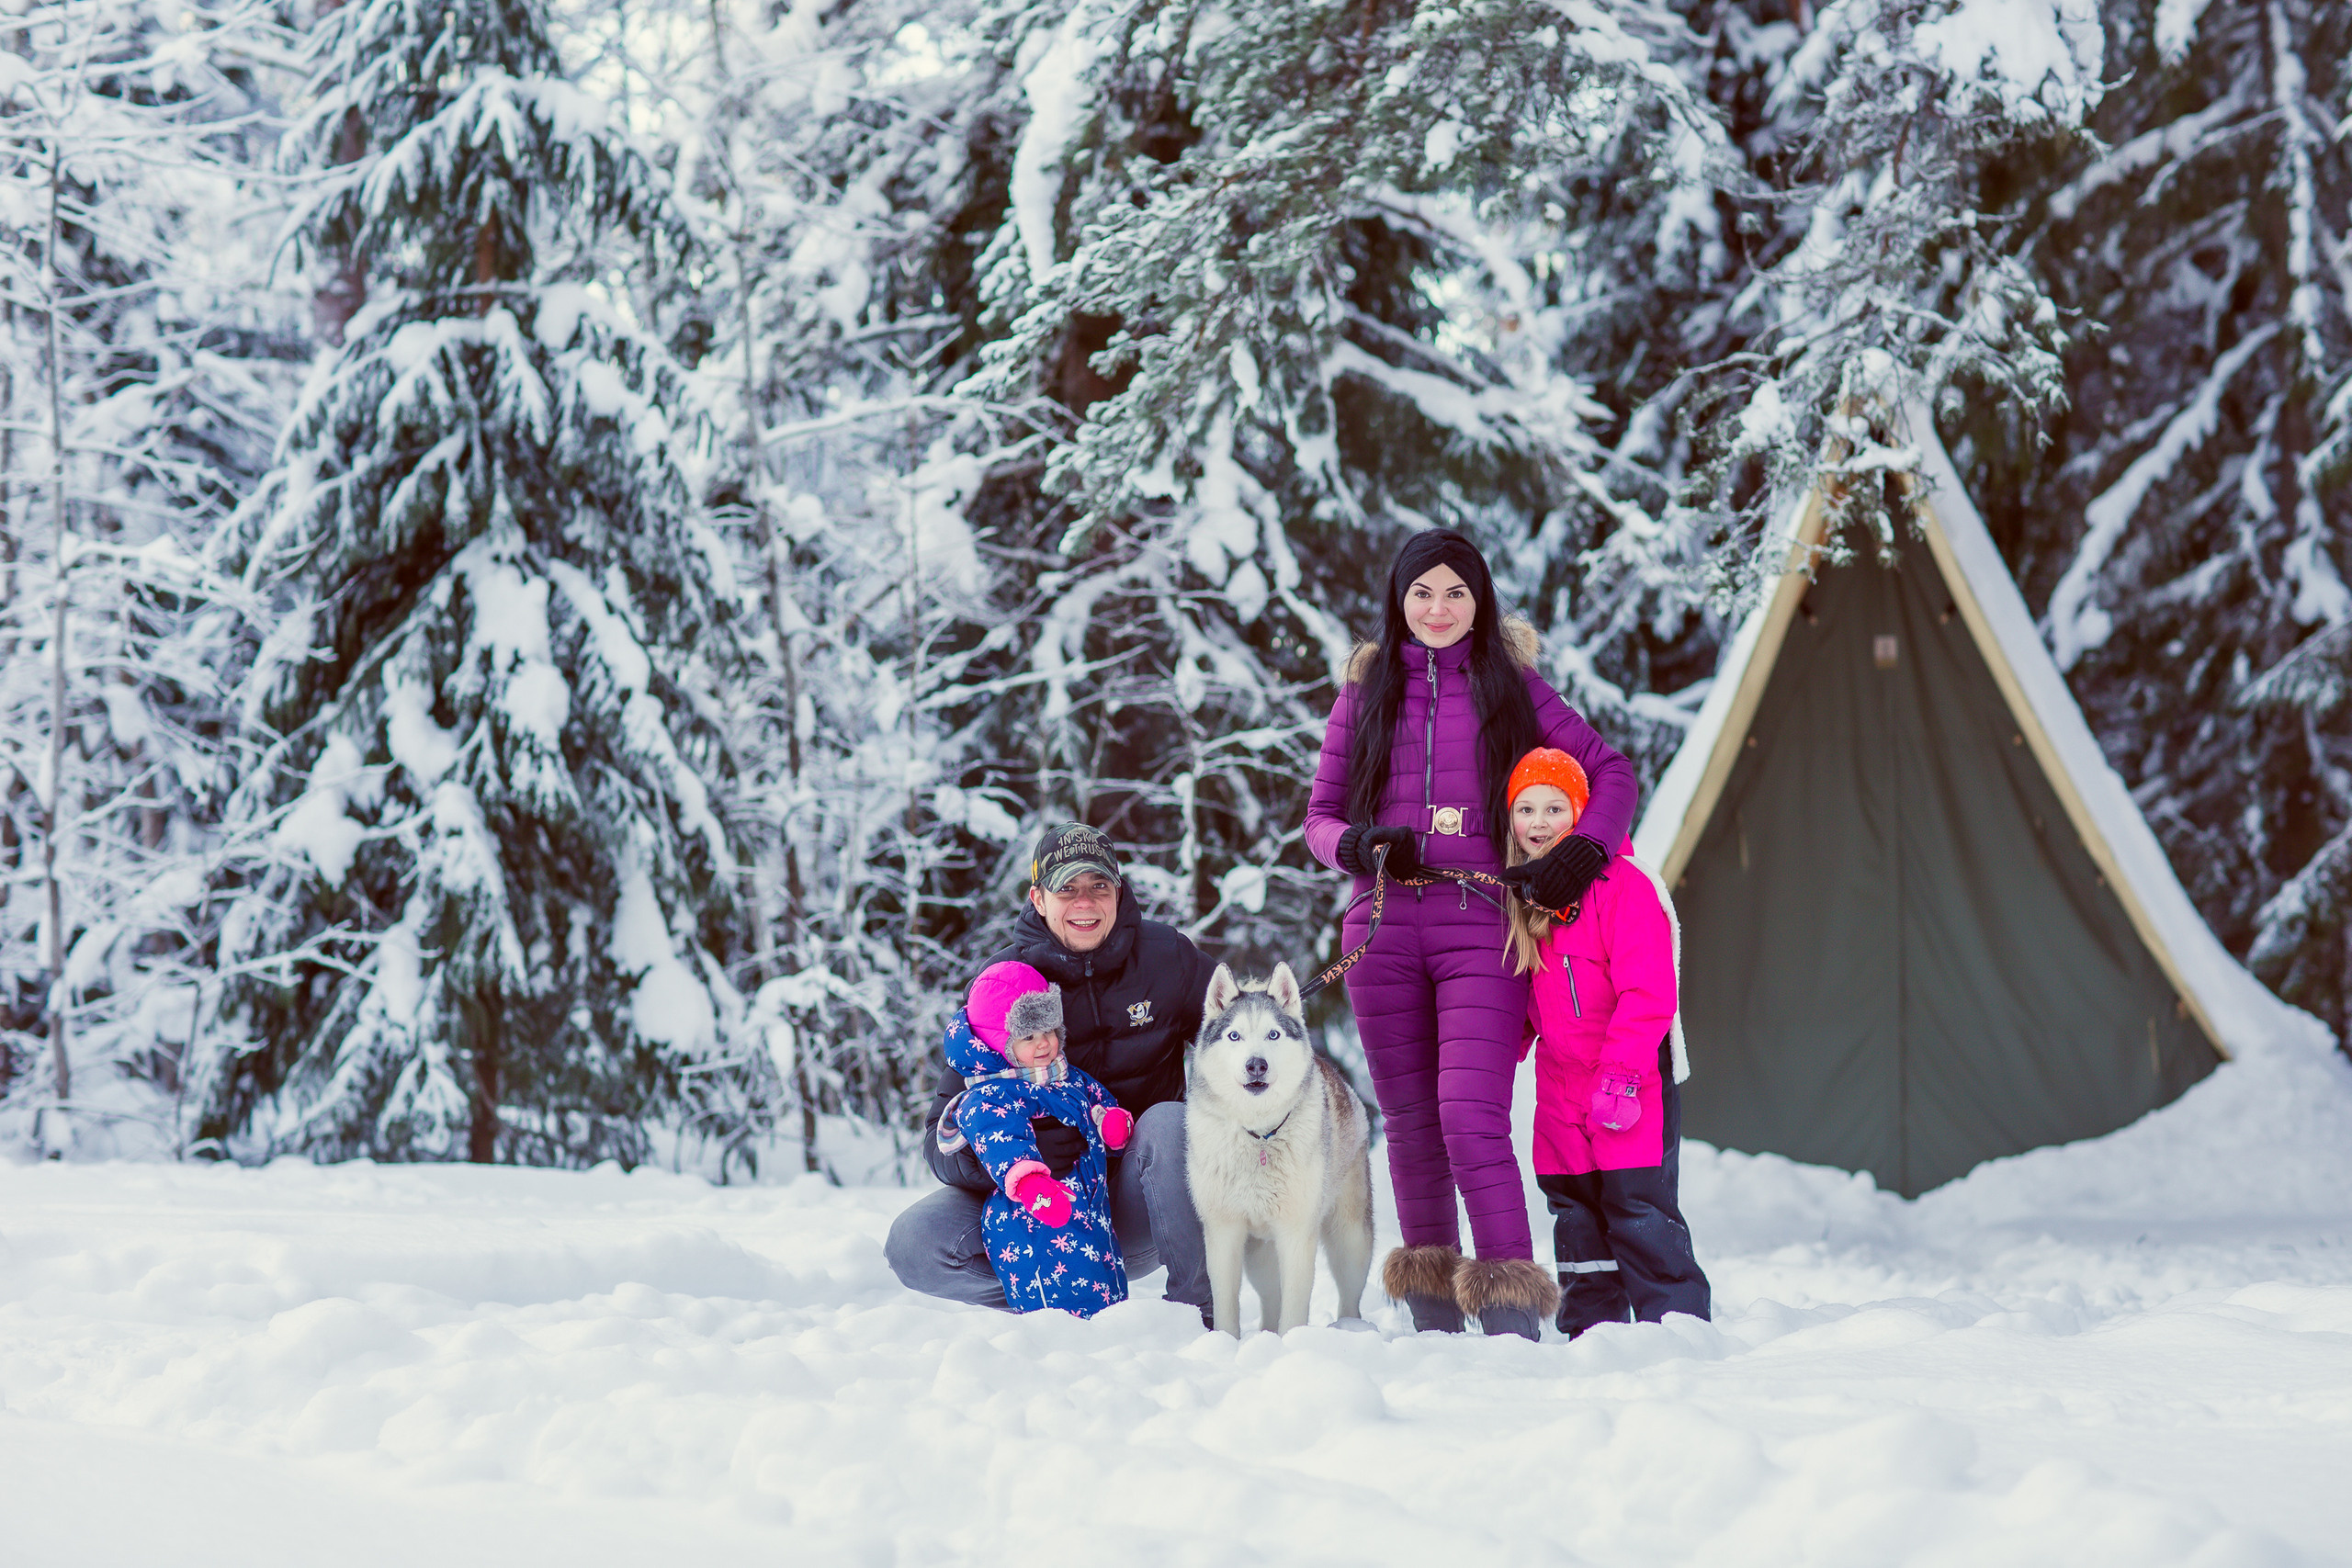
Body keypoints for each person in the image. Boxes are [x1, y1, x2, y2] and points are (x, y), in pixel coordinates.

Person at [1303, 528, 1639, 1339]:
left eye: (1456, 592)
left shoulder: (1511, 686)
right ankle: (1432, 1316)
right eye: (1422, 592)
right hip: (1382, 930)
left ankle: (1511, 1313)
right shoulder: (1364, 691)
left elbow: (1613, 772)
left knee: (1468, 1113)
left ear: (1480, 600)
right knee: (1411, 1122)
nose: (1438, 608)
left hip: (1481, 926)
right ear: (1399, 600)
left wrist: (1580, 855)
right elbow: (1319, 818)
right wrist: (1358, 845)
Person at [886, 823, 1219, 1319]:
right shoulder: (1003, 983)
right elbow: (939, 1137)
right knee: (914, 1242)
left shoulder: (1168, 957)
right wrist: (1009, 1153)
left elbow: (1241, 1035)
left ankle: (1196, 1315)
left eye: (1099, 885)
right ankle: (1059, 1301)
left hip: (1140, 1206)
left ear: (1118, 892)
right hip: (1039, 1210)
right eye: (1067, 889)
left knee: (1170, 1122)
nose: (1085, 902)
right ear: (1038, 899)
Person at [1504, 746, 1711, 1336]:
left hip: (1629, 1076)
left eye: (1554, 808)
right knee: (1575, 1213)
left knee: (1636, 1206)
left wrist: (1621, 1073)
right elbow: (1521, 1004)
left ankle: (1678, 1330)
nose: (1539, 823)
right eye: (1525, 809)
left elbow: (1648, 991)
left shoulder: (1622, 885)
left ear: (1582, 812)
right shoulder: (1523, 894)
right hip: (1560, 1086)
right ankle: (1592, 1337)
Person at [942, 961, 1132, 1316]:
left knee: (1100, 1278)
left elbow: (1094, 1100)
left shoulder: (1064, 1076)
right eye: (1028, 1036)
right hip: (1030, 1213)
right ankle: (1054, 1334)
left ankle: (1111, 1327)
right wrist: (1029, 1181)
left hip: (1088, 1205)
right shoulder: (991, 1094)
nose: (1044, 1042)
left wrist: (1108, 1122)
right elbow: (996, 1135)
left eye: (1049, 1030)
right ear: (999, 1042)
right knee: (1053, 1283)